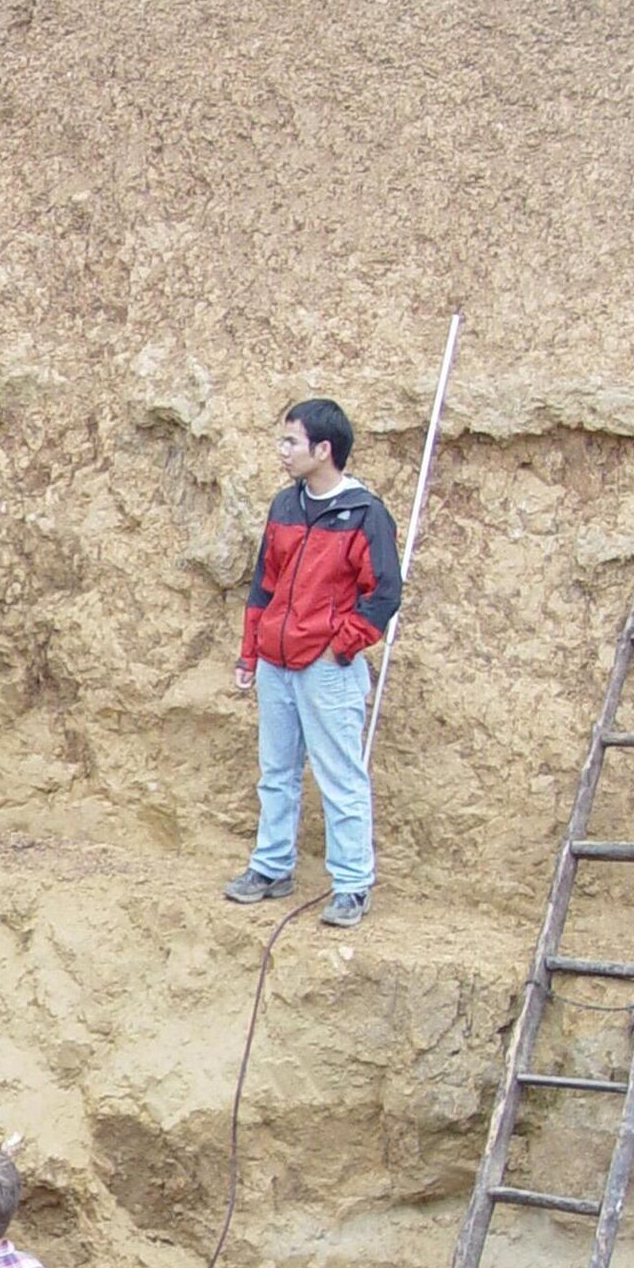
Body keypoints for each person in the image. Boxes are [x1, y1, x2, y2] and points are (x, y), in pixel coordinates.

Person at [225, 397, 401, 930]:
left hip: (327, 667)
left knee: (340, 776)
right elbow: (264, 584)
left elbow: (385, 593)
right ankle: (271, 866)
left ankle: (352, 884)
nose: (283, 451)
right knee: (276, 773)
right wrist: (250, 653)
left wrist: (341, 645)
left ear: (323, 450)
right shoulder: (285, 505)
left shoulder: (366, 513)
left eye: (291, 441)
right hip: (278, 663)